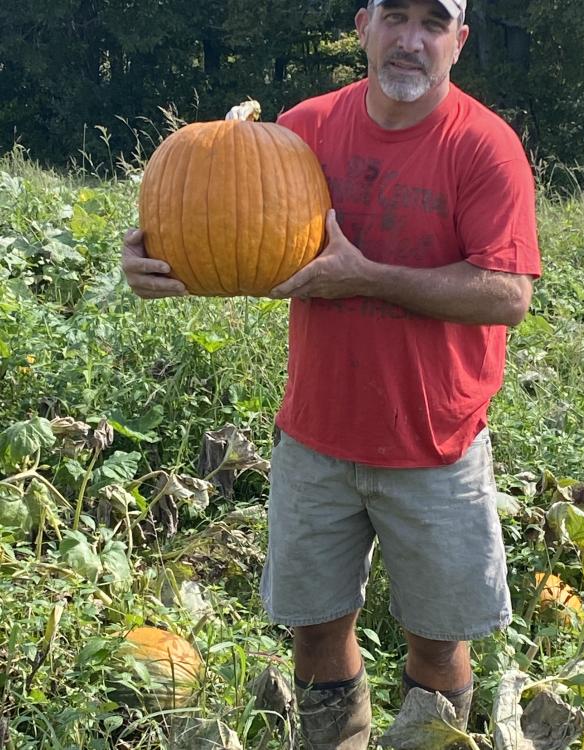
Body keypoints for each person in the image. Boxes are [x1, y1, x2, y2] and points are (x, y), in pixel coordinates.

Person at [122, 0, 541, 746]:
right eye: (396, 16)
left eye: (434, 23)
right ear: (362, 27)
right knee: (315, 633)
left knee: (439, 643)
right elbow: (239, 218)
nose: (411, 40)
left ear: (460, 41)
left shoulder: (485, 147)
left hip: (435, 444)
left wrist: (369, 277)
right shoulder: (304, 129)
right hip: (316, 439)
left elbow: (507, 296)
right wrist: (155, 256)